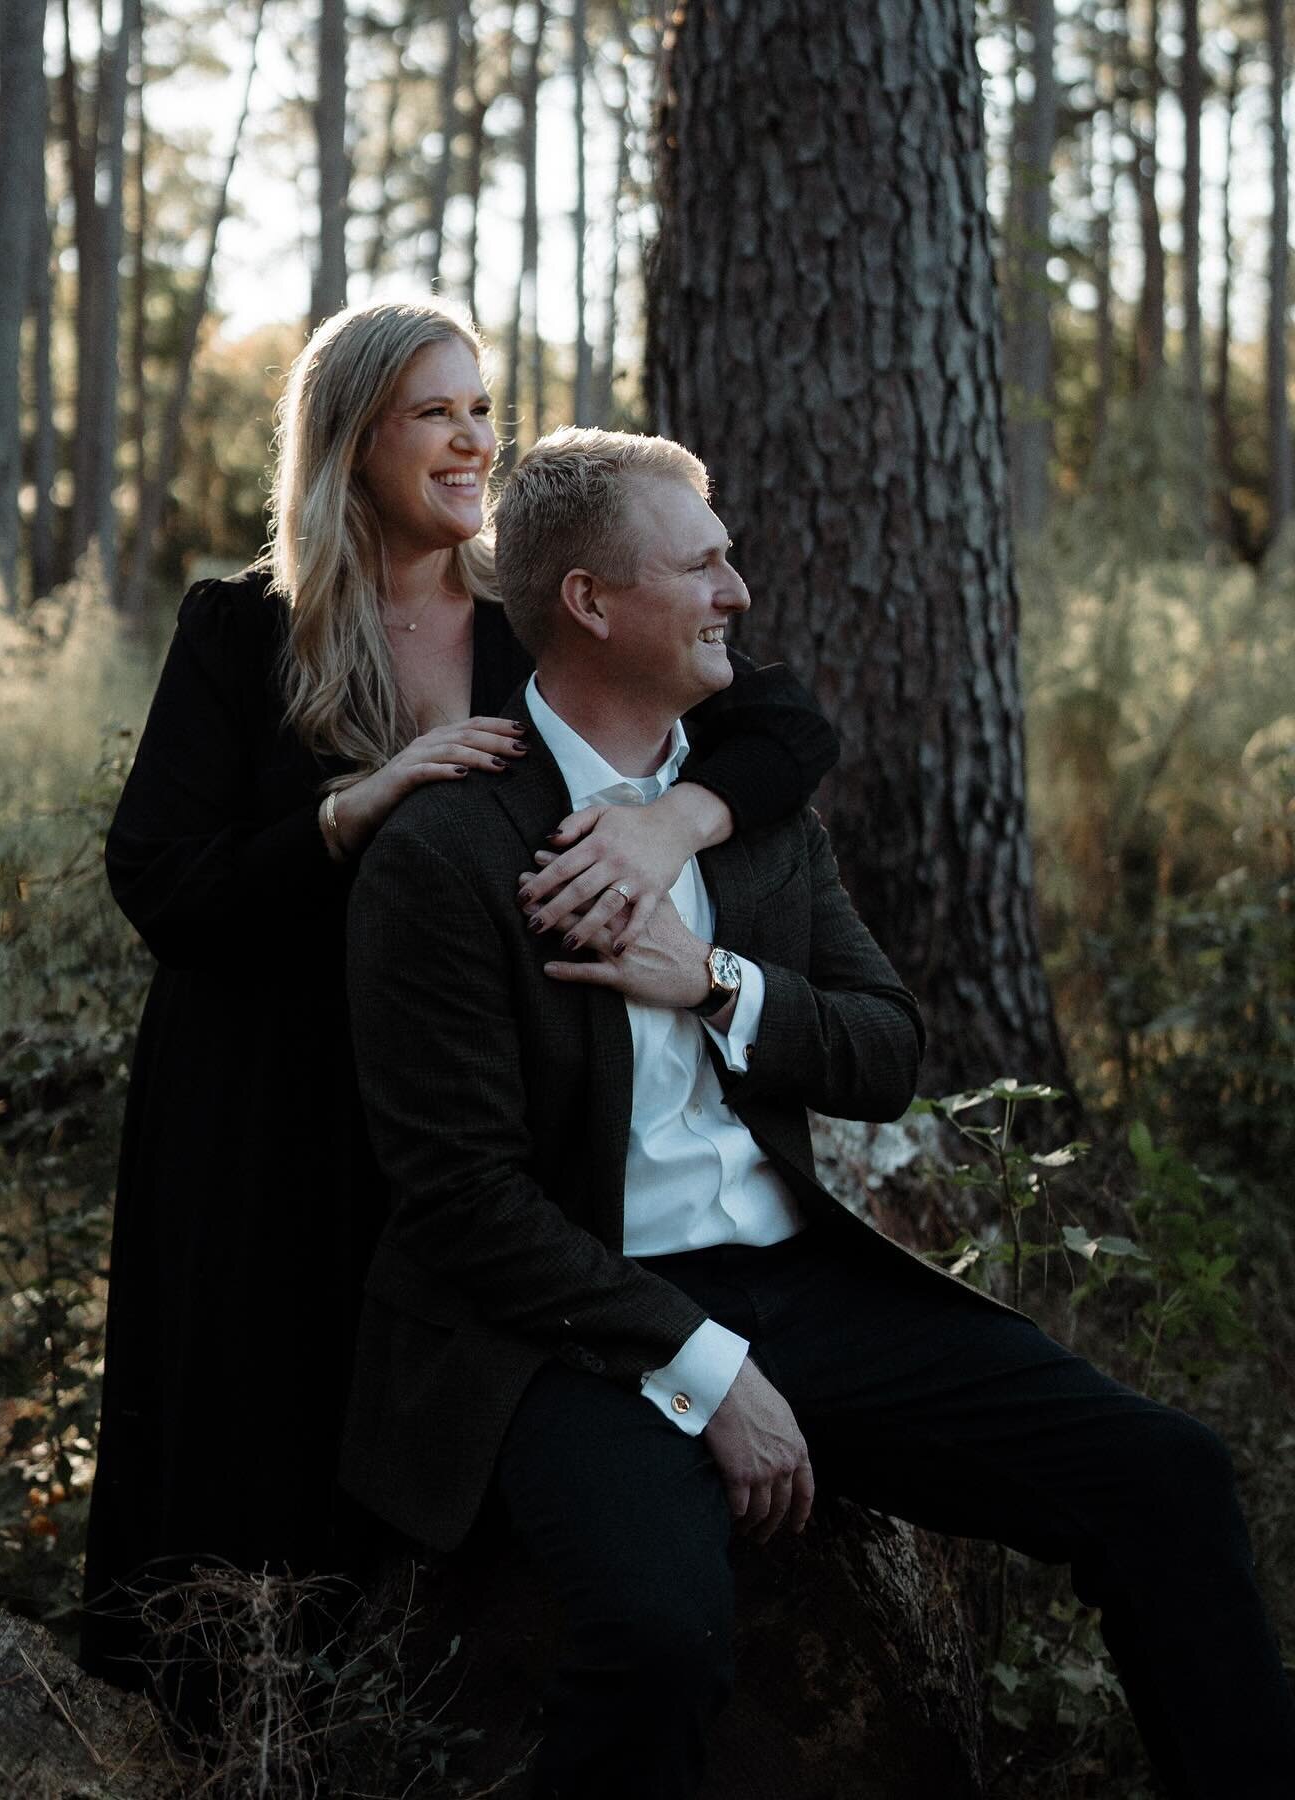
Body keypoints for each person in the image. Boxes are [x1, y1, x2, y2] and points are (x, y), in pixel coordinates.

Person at [340, 426, 1295, 1800]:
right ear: (592, 604)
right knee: (661, 1635)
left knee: (1170, 1478)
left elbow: (887, 1050)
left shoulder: (747, 814)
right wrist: (710, 1372)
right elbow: (461, 1203)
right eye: (704, 564)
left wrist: (715, 981)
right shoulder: (446, 853)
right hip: (562, 1328)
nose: (738, 592)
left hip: (797, 1280)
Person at [78, 300, 842, 1696]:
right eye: (439, 413)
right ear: (353, 434)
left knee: (419, 1397)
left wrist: (677, 828)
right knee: (248, 1398)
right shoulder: (243, 630)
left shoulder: (528, 625)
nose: (475, 440)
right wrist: (344, 815)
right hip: (262, 1103)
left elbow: (790, 724)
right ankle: (206, 1710)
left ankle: (402, 1700)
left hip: (461, 1099)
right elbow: (160, 881)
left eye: (484, 410)